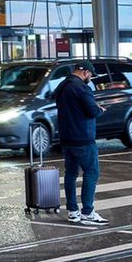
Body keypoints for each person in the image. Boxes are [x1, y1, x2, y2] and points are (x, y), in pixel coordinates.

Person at [53, 61, 106, 225]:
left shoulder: (61, 86)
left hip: (66, 138)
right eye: (91, 75)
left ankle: (72, 211)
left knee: (71, 174)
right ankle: (87, 212)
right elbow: (92, 110)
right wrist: (99, 110)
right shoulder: (82, 88)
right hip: (83, 138)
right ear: (86, 73)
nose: (90, 78)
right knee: (91, 172)